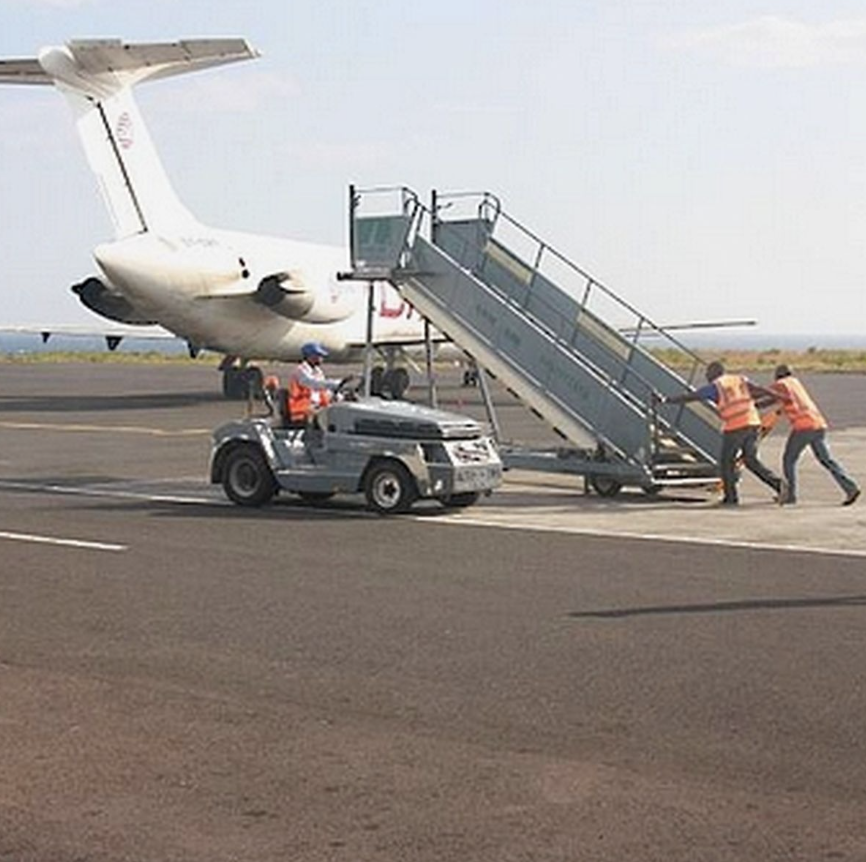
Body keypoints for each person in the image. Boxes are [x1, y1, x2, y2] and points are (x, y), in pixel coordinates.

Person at [660, 360, 787, 506]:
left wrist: (666, 400)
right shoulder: (739, 380)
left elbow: (692, 396)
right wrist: (777, 396)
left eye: (708, 373)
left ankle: (731, 498)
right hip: (752, 423)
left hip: (735, 427)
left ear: (714, 372)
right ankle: (779, 485)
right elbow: (758, 389)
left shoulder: (716, 386)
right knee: (751, 461)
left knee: (726, 463)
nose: (706, 376)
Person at [770, 364, 860, 506]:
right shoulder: (796, 384)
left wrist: (754, 403)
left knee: (789, 460)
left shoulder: (781, 384)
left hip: (803, 427)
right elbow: (792, 401)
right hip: (818, 424)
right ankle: (850, 488)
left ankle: (790, 495)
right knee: (827, 460)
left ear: (778, 375)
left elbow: (772, 398)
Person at [287, 342, 346, 424]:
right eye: (319, 356)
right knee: (329, 418)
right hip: (302, 410)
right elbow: (313, 383)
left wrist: (340, 397)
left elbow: (324, 390)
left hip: (316, 408)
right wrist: (335, 383)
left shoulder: (318, 371)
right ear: (310, 356)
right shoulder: (300, 371)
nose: (321, 358)